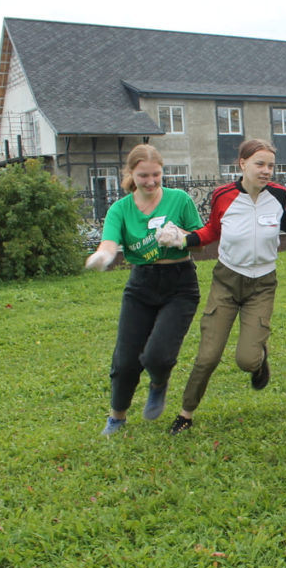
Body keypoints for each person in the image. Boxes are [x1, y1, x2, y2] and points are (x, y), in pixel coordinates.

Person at [157, 139, 286, 434]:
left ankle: (260, 362)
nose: (266, 171)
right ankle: (186, 414)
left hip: (262, 284)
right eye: (259, 164)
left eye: (270, 165)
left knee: (247, 360)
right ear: (242, 164)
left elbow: (283, 219)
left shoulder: (279, 193)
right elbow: (212, 230)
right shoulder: (223, 195)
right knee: (207, 356)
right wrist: (183, 240)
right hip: (226, 280)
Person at [85, 144, 202, 436]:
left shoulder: (180, 200)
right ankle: (117, 416)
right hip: (141, 285)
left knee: (157, 356)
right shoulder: (120, 209)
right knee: (125, 360)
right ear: (131, 174)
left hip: (180, 283)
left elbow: (200, 235)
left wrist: (179, 236)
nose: (150, 182)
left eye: (156, 175)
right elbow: (110, 242)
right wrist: (104, 256)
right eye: (143, 176)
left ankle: (158, 383)